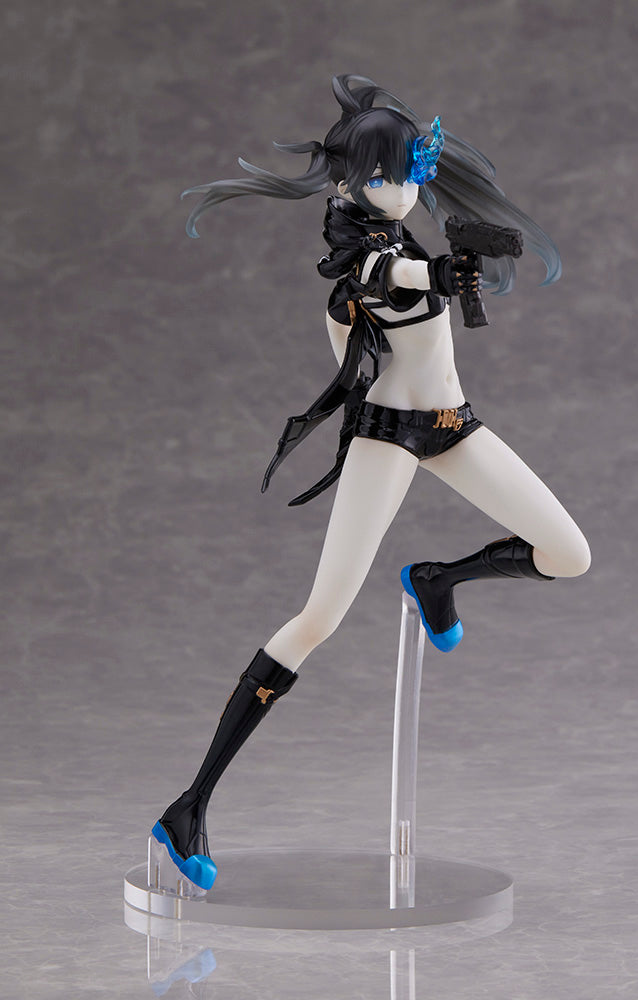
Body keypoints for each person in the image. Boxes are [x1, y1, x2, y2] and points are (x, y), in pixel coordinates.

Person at [149, 74, 591, 894]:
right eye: (389, 176)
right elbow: (393, 280)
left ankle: (438, 580)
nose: (405, 189)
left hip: (454, 427)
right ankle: (189, 805)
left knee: (568, 554)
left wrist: (456, 261)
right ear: (352, 181)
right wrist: (448, 270)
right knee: (318, 618)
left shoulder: (400, 240)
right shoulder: (360, 264)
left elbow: (418, 271)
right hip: (387, 440)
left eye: (413, 172)